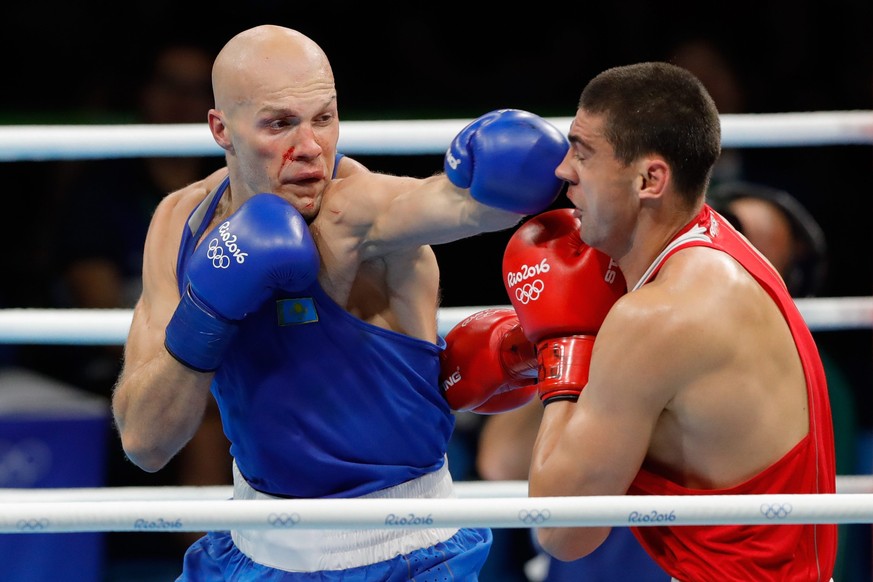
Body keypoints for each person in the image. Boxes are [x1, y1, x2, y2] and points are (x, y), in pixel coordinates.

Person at [110, 24, 570, 581]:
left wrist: (506, 172)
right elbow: (144, 441)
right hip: (253, 550)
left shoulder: (355, 211)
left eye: (323, 119)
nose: (310, 148)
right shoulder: (181, 224)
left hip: (401, 557)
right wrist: (209, 311)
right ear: (221, 129)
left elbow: (465, 207)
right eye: (280, 124)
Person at [500, 62, 836, 580]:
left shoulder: (660, 315)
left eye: (583, 153)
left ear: (650, 179)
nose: (563, 170)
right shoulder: (720, 248)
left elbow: (562, 531)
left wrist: (564, 345)